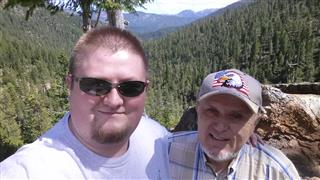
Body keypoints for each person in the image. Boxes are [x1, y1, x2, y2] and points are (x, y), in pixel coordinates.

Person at [0, 27, 170, 179]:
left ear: (146, 89)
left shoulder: (158, 139)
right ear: (69, 85)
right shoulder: (27, 171)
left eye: (131, 87)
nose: (114, 101)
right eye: (96, 86)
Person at [166, 69, 301, 179]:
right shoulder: (166, 152)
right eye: (212, 111)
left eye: (236, 116)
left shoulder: (276, 172)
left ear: (255, 122)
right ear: (198, 111)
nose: (220, 126)